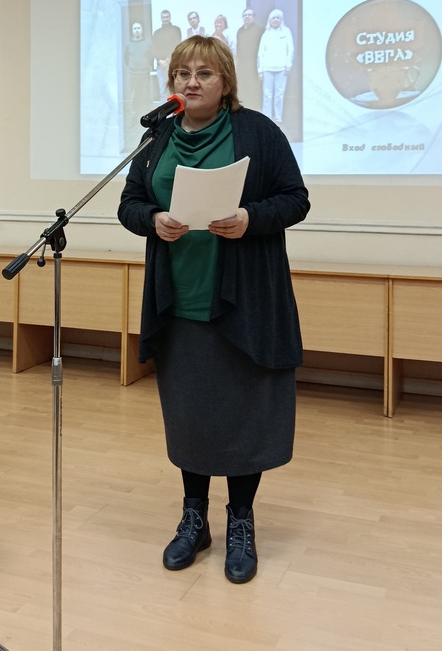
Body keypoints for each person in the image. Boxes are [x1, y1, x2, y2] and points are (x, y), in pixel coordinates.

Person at [117, 35, 309, 584]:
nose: (191, 82)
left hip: (244, 300)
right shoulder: (157, 139)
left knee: (244, 413)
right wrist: (152, 220)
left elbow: (295, 199)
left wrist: (250, 218)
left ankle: (241, 521)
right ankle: (194, 518)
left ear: (226, 82)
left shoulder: (258, 132)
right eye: (182, 73)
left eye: (204, 73)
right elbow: (130, 203)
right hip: (179, 302)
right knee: (191, 414)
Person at [257, 9, 295, 124]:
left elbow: (291, 50)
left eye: (278, 18)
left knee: (279, 94)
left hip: (282, 69)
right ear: (270, 20)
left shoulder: (286, 32)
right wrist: (260, 70)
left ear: (281, 19)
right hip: (267, 68)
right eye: (273, 18)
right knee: (267, 94)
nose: (275, 20)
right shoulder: (266, 34)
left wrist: (288, 65)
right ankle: (267, 117)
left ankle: (278, 117)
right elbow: (260, 53)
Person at [124, 21, 154, 127]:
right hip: (133, 74)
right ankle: (134, 118)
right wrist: (133, 67)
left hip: (144, 73)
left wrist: (146, 66)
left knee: (146, 94)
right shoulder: (129, 44)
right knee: (134, 96)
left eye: (138, 28)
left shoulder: (148, 43)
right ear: (132, 31)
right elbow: (126, 59)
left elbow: (151, 57)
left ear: (142, 30)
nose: (137, 30)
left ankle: (147, 117)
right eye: (135, 28)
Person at [234, 9, 264, 110]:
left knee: (253, 85)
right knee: (243, 85)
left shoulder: (260, 30)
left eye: (249, 15)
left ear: (253, 17)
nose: (247, 17)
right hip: (243, 63)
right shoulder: (240, 31)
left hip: (254, 63)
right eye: (245, 15)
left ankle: (253, 107)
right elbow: (239, 48)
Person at [151, 10, 182, 99]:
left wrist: (169, 59)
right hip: (161, 65)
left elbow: (177, 44)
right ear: (161, 19)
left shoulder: (176, 30)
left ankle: (176, 108)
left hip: (173, 64)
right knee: (163, 91)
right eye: (163, 17)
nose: (165, 19)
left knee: (175, 89)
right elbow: (154, 48)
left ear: (170, 17)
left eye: (167, 17)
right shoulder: (157, 33)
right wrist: (160, 61)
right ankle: (165, 108)